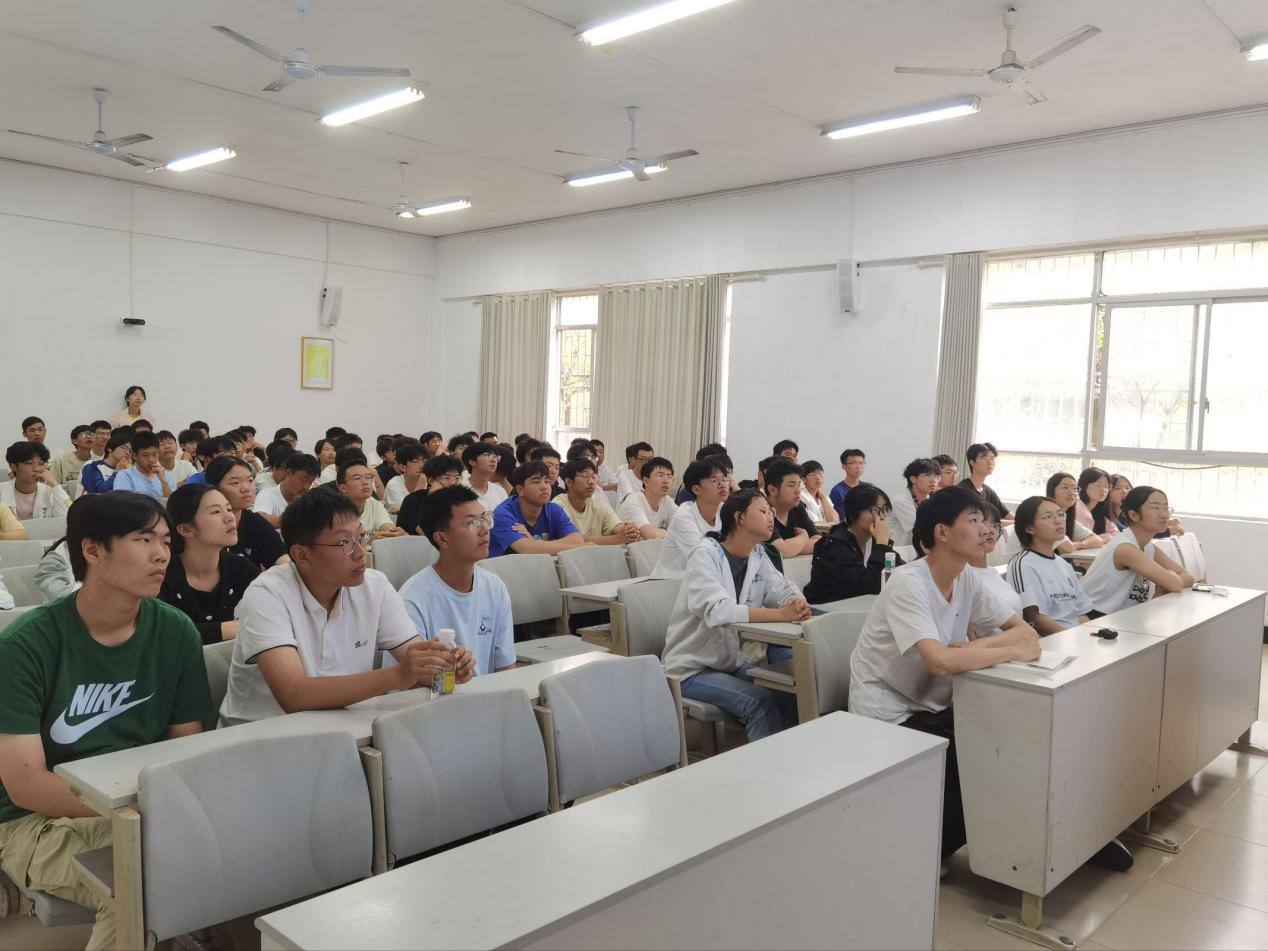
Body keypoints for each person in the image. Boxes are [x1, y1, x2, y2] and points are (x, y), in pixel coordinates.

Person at [0, 493, 212, 950]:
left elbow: (184, 746)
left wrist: (153, 813)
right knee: (137, 879)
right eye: (143, 539)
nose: (162, 554)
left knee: (207, 851)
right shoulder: (24, 646)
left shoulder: (176, 631)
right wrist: (140, 813)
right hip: (36, 820)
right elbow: (26, 786)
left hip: (143, 806)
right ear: (93, 550)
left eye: (166, 541)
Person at [848, 487, 1042, 865]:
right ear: (942, 532)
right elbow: (938, 662)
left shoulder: (966, 578)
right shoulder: (908, 581)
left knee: (1005, 744)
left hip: (935, 701)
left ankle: (1004, 848)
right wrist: (1009, 650)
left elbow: (1025, 633)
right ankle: (927, 856)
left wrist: (970, 649)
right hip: (889, 708)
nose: (986, 530)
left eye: (987, 522)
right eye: (973, 520)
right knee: (970, 763)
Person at [218, 491, 475, 726]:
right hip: (260, 735)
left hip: (343, 726)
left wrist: (444, 667)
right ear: (302, 555)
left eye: (361, 537)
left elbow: (414, 663)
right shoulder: (267, 594)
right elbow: (293, 694)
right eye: (345, 543)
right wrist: (399, 675)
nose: (361, 553)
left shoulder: (374, 586)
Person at [662, 490, 808, 742]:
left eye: (770, 511)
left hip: (730, 661)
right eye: (763, 511)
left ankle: (789, 754)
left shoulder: (757, 553)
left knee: (788, 691)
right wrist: (780, 614)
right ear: (739, 518)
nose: (770, 517)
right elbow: (718, 610)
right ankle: (765, 764)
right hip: (691, 668)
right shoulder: (705, 554)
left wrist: (796, 601)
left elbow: (780, 587)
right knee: (759, 701)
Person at [398, 487, 516, 676]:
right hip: (435, 693)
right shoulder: (412, 597)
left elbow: (505, 668)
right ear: (442, 539)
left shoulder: (495, 587)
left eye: (485, 519)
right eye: (471, 523)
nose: (484, 530)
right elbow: (409, 679)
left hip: (488, 692)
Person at [159, 484, 260, 645]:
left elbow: (273, 610)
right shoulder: (160, 574)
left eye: (228, 509)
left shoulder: (240, 567)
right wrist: (232, 628)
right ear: (185, 529)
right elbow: (162, 633)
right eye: (216, 512)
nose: (230, 517)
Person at [1080, 486, 1194, 616]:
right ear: (1134, 515)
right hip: (1093, 615)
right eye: (1155, 508)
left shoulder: (1147, 546)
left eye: (1165, 508)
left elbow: (1188, 577)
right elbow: (1175, 584)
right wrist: (1169, 581)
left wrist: (1169, 581)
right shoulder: (1126, 548)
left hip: (1120, 616)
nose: (1163, 514)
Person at [1007, 496, 1094, 634]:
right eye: (1048, 516)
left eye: (1060, 514)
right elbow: (1034, 618)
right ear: (1029, 528)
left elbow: (1080, 612)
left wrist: (1089, 635)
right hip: (1052, 640)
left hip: (1075, 636)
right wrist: (1072, 638)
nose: (1058, 520)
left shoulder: (1063, 564)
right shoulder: (1023, 564)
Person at [804, 484, 902, 604]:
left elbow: (901, 572)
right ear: (853, 513)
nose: (881, 517)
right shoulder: (835, 546)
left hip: (858, 607)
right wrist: (882, 544)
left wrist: (882, 544)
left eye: (884, 510)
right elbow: (870, 588)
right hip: (826, 610)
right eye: (875, 510)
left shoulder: (874, 541)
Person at [204, 455, 288, 570]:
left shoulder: (255, 522)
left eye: (250, 480)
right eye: (235, 483)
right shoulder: (204, 525)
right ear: (213, 488)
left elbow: (280, 557)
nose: (246, 488)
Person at [653, 457, 731, 577]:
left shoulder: (724, 510)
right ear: (696, 489)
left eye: (725, 479)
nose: (722, 485)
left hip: (704, 577)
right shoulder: (684, 518)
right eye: (714, 481)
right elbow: (704, 559)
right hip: (670, 582)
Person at [489, 462, 584, 557]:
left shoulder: (554, 510)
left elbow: (577, 540)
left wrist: (533, 543)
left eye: (547, 481)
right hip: (504, 566)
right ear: (520, 489)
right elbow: (525, 549)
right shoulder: (503, 514)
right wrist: (532, 546)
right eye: (536, 482)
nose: (544, 487)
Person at [552, 460, 640, 545]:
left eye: (594, 477)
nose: (591, 482)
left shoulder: (598, 504)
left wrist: (628, 531)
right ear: (569, 482)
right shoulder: (558, 506)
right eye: (585, 476)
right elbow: (572, 541)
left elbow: (617, 527)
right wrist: (618, 538)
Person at [762, 458, 818, 559]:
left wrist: (792, 547)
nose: (798, 491)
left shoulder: (797, 507)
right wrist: (804, 537)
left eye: (799, 485)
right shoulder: (763, 512)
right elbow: (780, 551)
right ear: (772, 490)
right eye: (791, 485)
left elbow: (820, 541)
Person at [337, 460, 403, 539]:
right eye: (357, 478)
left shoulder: (374, 504)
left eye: (368, 477)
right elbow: (341, 538)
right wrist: (371, 536)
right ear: (343, 488)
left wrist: (394, 532)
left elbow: (387, 526)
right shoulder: (333, 509)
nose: (365, 482)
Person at [3, 442, 71, 519]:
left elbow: (68, 518)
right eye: (29, 463)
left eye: (41, 464)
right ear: (13, 466)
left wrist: (54, 483)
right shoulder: (2, 491)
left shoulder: (51, 492)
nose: (37, 469)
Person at [1042, 472, 1103, 555]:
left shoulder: (1067, 518)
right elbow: (1067, 548)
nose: (1071, 492)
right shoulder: (1045, 517)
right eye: (1065, 487)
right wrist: (1075, 545)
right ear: (1052, 491)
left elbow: (1098, 540)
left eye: (1074, 488)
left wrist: (1078, 545)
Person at [617, 456, 677, 540]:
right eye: (660, 475)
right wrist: (671, 531)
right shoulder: (634, 501)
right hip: (624, 548)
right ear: (645, 481)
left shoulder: (667, 500)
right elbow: (651, 535)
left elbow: (684, 526)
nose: (666, 480)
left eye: (669, 476)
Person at [254, 452, 319, 527]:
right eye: (304, 480)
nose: (306, 487)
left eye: (310, 482)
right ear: (288, 473)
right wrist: (294, 522)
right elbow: (258, 519)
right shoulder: (267, 494)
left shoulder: (307, 500)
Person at [889, 458, 941, 549]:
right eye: (927, 475)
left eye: (936, 475)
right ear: (913, 479)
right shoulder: (901, 501)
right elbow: (922, 526)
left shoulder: (932, 499)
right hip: (901, 551)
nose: (933, 480)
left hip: (922, 549)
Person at [111, 431, 176, 500]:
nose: (151, 459)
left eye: (154, 454)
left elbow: (172, 504)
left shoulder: (167, 476)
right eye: (145, 455)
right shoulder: (125, 476)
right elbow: (122, 503)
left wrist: (163, 481)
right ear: (135, 456)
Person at [958, 442, 1011, 523]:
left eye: (992, 458)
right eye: (984, 458)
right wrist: (1018, 523)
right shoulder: (963, 490)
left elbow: (1006, 515)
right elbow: (982, 522)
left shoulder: (988, 491)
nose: (990, 462)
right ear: (972, 463)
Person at [461, 441, 508, 512]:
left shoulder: (500, 492)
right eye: (487, 455)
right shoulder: (460, 490)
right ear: (472, 461)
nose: (493, 460)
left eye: (495, 456)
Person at [1075, 467, 1120, 543]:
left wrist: (1098, 539)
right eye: (1097, 485)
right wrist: (1106, 537)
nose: (1103, 490)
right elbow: (1084, 539)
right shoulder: (1078, 509)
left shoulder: (1099, 510)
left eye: (1106, 486)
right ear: (1083, 485)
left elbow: (1116, 533)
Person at [384, 442, 427, 513]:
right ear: (403, 467)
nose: (422, 466)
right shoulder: (394, 484)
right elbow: (405, 512)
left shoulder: (431, 481)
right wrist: (419, 489)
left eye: (425, 461)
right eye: (415, 461)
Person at [829, 449, 866, 520]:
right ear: (844, 466)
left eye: (861, 463)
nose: (858, 467)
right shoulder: (837, 491)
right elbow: (843, 518)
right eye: (854, 463)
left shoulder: (867, 489)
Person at [799, 460, 838, 525]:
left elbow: (834, 521)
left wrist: (823, 497)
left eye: (820, 473)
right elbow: (814, 523)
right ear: (804, 479)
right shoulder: (801, 497)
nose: (817, 477)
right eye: (812, 474)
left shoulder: (825, 497)